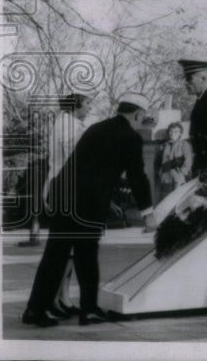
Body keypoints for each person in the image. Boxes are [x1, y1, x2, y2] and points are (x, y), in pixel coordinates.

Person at [22, 93, 155, 328]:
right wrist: (148, 212)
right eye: (142, 119)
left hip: (63, 195)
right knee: (86, 256)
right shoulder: (130, 137)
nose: (140, 123)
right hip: (88, 203)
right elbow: (137, 177)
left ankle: (35, 309)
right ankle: (89, 311)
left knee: (55, 255)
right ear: (138, 114)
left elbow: (88, 166)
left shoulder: (95, 128)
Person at [42, 93, 89, 319]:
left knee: (67, 249)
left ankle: (63, 298)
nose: (90, 108)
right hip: (65, 189)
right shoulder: (69, 126)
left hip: (63, 187)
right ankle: (51, 301)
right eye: (87, 104)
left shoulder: (67, 123)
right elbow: (77, 157)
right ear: (76, 106)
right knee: (62, 249)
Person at [155, 121, 193, 198]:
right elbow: (158, 161)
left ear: (180, 133)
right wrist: (159, 172)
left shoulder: (184, 144)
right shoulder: (164, 145)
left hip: (178, 175)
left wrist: (182, 172)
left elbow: (188, 159)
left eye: (176, 131)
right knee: (165, 198)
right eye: (171, 131)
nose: (172, 133)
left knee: (177, 197)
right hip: (165, 176)